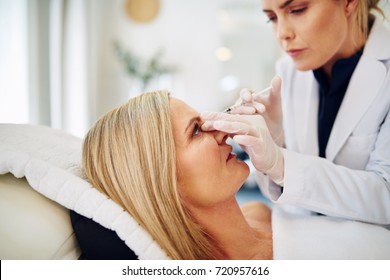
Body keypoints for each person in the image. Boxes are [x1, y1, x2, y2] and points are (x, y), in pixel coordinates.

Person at [202, 0, 390, 224]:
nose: (282, 34)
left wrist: (281, 164)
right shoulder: (288, 70)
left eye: (297, 10)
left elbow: (385, 196)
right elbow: (293, 198)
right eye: (272, 18)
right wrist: (275, 140)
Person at [81, 90, 273, 260]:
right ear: (161, 180)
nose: (222, 131)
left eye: (206, 122)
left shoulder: (261, 212)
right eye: (196, 130)